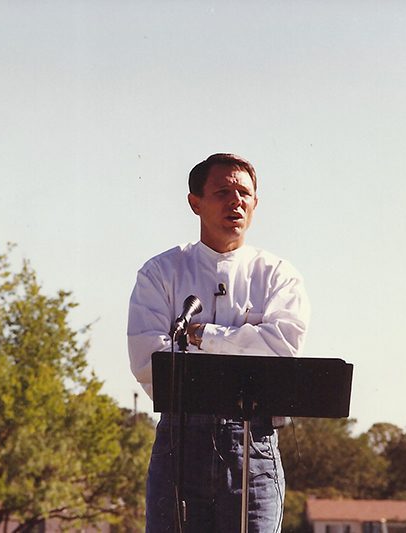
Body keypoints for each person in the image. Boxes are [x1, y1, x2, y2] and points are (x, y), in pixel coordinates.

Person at [127, 153, 310, 532]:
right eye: (223, 192)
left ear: (256, 203)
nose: (236, 201)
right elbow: (149, 360)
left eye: (244, 193)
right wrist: (248, 342)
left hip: (254, 444)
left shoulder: (277, 276)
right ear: (195, 203)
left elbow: (283, 350)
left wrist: (204, 335)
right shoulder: (161, 272)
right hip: (181, 440)